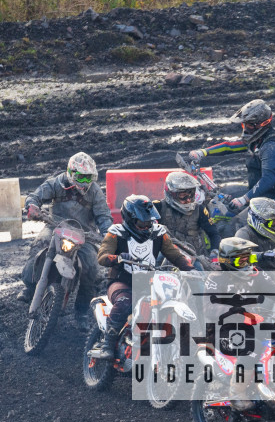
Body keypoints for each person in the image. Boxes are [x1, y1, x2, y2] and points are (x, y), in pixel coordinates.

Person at [91, 195, 196, 358]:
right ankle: (108, 344)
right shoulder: (116, 233)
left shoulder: (159, 233)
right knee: (125, 302)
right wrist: (118, 257)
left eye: (150, 221)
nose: (147, 226)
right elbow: (102, 256)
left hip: (148, 282)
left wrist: (190, 269)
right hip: (121, 281)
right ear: (130, 219)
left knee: (168, 300)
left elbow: (175, 255)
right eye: (142, 222)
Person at [19, 152, 112, 328]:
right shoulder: (57, 182)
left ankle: (82, 313)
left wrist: (108, 233)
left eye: (88, 178)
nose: (85, 182)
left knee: (92, 268)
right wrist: (32, 206)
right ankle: (30, 286)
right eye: (81, 177)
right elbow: (36, 195)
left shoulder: (95, 192)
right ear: (71, 173)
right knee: (38, 245)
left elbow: (104, 216)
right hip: (55, 227)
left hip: (84, 235)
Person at [187, 99, 275, 215]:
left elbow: (268, 180)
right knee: (221, 196)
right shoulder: (257, 139)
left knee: (231, 220)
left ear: (262, 124)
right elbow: (229, 147)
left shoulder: (272, 147)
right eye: (244, 124)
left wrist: (244, 199)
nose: (245, 128)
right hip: (258, 195)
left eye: (249, 125)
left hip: (274, 201)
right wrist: (202, 152)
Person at [157, 170, 221, 257]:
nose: (188, 199)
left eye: (191, 194)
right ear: (171, 194)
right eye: (183, 196)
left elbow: (214, 234)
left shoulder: (200, 210)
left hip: (195, 258)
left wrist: (215, 253)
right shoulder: (158, 207)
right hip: (166, 257)